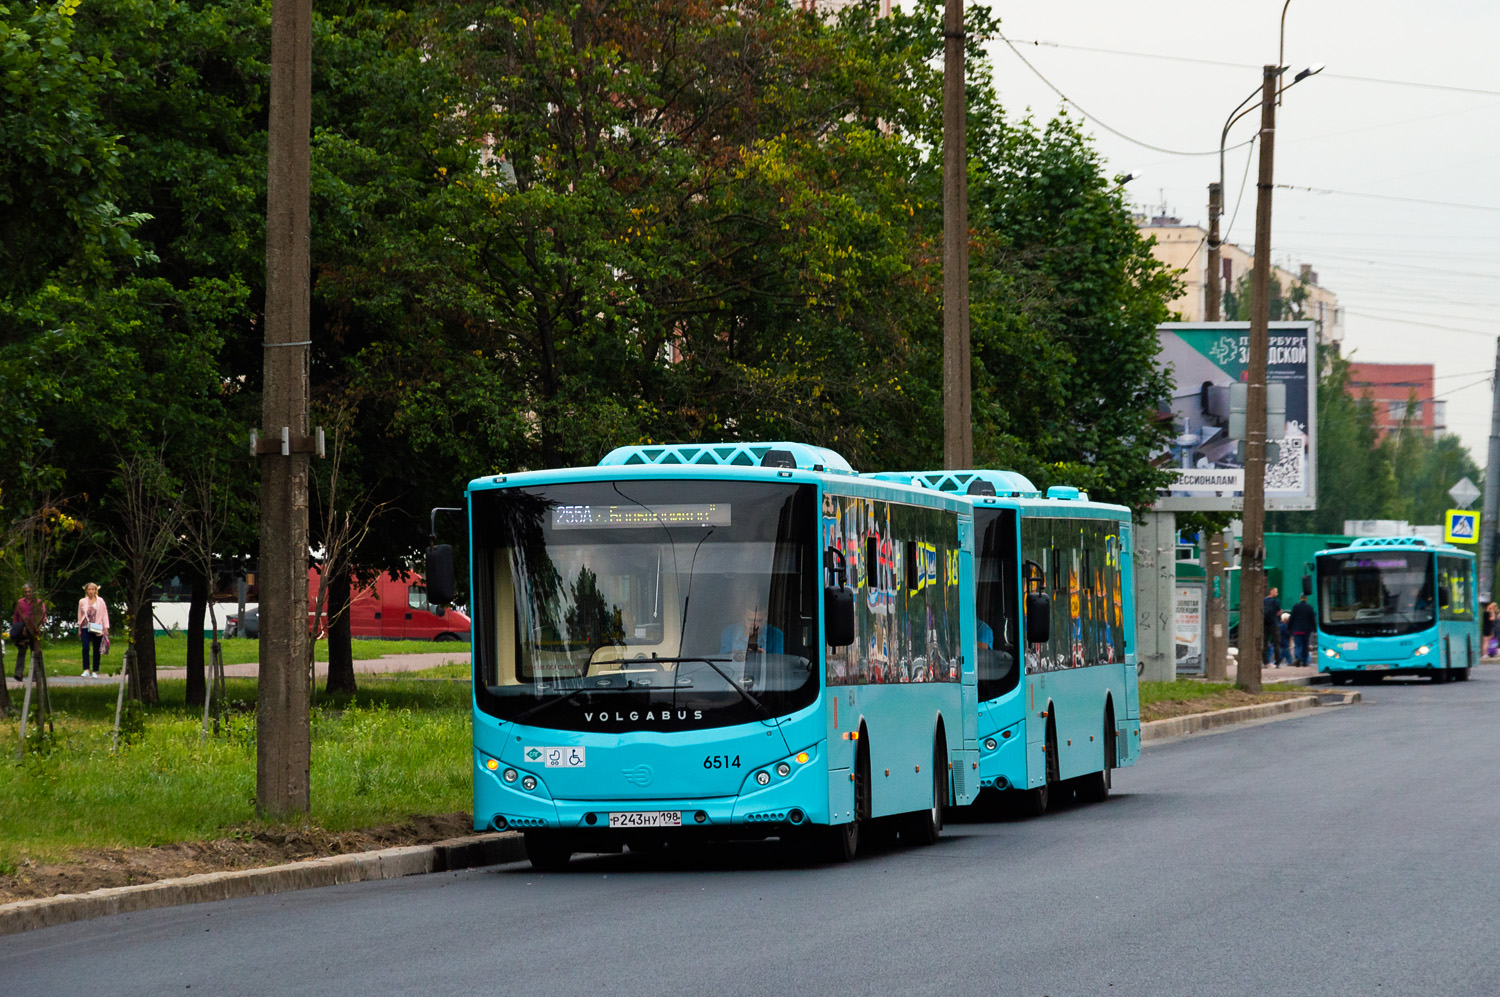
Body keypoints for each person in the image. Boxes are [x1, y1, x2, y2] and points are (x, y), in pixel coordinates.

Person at [720, 600, 784, 659]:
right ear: (743, 615)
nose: (754, 625)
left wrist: (764, 658)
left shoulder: (776, 635)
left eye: (759, 620)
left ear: (766, 617)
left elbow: (777, 663)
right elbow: (723, 661)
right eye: (750, 620)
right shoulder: (730, 632)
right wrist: (733, 656)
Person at [11, 582, 46, 682]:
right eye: (26, 592)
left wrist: (39, 625)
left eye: (29, 591)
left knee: (35, 651)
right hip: (23, 630)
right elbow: (16, 617)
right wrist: (16, 628)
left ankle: (35, 675)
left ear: (33, 592)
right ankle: (18, 673)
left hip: (35, 629)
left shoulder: (39, 602)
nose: (27, 594)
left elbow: (43, 616)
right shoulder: (20, 602)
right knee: (21, 651)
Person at [77, 581, 111, 678]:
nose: (91, 591)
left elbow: (104, 614)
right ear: (86, 591)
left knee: (96, 649)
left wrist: (106, 628)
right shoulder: (82, 601)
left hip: (97, 627)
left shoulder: (100, 601)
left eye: (93, 589)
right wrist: (79, 628)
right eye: (89, 589)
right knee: (85, 647)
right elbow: (80, 615)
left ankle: (95, 671)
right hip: (85, 627)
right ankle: (86, 669)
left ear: (96, 591)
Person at [1288, 594, 1317, 668]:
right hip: (1306, 630)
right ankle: (1304, 661)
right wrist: (1314, 628)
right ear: (1306, 599)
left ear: (1300, 598)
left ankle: (1298, 658)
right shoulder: (1309, 607)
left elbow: (1292, 618)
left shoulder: (1295, 607)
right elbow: (1312, 619)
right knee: (1305, 645)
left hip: (1297, 630)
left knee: (1298, 645)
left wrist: (1289, 627)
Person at [1262, 586, 1283, 666]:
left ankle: (1265, 662)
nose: (1277, 593)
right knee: (1276, 643)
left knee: (1264, 642)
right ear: (1272, 592)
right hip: (1274, 624)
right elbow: (1279, 611)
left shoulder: (1264, 600)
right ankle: (1277, 662)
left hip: (1265, 623)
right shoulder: (1276, 601)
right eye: (1276, 591)